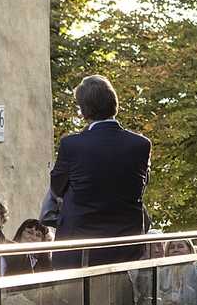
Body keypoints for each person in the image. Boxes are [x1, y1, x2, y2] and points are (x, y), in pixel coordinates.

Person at [50, 75, 152, 268]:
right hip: (126, 245)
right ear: (114, 102)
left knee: (79, 298)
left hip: (79, 247)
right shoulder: (140, 144)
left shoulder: (72, 144)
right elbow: (143, 183)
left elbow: (57, 186)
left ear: (83, 109)